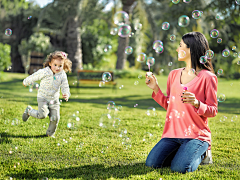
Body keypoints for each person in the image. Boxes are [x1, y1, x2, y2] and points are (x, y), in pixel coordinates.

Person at [145, 32, 218, 173]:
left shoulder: (208, 77)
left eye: (180, 46)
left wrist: (197, 103)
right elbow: (170, 105)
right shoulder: (173, 74)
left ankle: (204, 153)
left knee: (179, 168)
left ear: (191, 49)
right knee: (152, 163)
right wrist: (155, 88)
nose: (177, 49)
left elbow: (213, 110)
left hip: (196, 135)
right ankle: (183, 151)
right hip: (173, 134)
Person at [22, 51, 72, 137]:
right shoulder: (45, 71)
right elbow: (35, 76)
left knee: (55, 118)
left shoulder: (62, 75)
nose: (57, 68)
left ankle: (50, 134)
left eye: (60, 66)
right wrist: (26, 81)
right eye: (55, 65)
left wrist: (66, 93)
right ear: (50, 63)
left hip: (54, 99)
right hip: (43, 97)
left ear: (63, 66)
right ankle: (29, 111)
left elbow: (65, 86)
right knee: (42, 115)